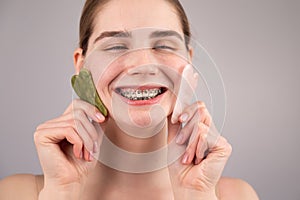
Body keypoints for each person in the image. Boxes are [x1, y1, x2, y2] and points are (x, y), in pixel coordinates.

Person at [0, 0, 259, 199]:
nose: (142, 66)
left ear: (189, 62)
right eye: (116, 46)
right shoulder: (18, 194)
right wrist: (61, 193)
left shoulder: (235, 196)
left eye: (164, 45)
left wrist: (197, 195)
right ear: (82, 65)